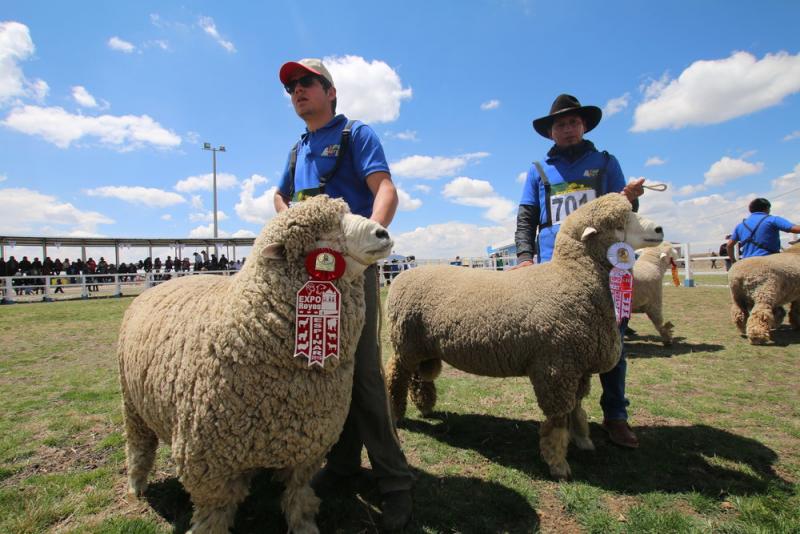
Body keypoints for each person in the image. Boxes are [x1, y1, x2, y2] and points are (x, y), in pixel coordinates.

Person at [273, 57, 413, 530]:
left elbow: (385, 189)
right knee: (325, 367)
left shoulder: (356, 135)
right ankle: (344, 465)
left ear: (331, 92)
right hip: (309, 278)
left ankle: (396, 481)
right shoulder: (297, 151)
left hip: (350, 274)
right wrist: (288, 222)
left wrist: (369, 244)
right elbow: (281, 198)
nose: (297, 90)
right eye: (292, 85)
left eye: (307, 82)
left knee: (365, 373)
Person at [513, 94, 645, 449]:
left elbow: (623, 211)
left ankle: (616, 416)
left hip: (604, 269)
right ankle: (566, 414)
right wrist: (525, 255)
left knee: (611, 340)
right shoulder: (539, 170)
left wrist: (631, 196)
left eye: (573, 123)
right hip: (555, 270)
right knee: (558, 346)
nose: (568, 129)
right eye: (561, 124)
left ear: (583, 126)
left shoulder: (604, 163)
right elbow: (526, 217)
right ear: (551, 131)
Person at [726, 198, 800, 263]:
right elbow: (795, 229)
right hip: (769, 261)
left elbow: (729, 245)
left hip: (747, 262)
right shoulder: (772, 219)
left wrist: (733, 260)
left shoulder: (740, 226)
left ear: (751, 210)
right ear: (767, 208)